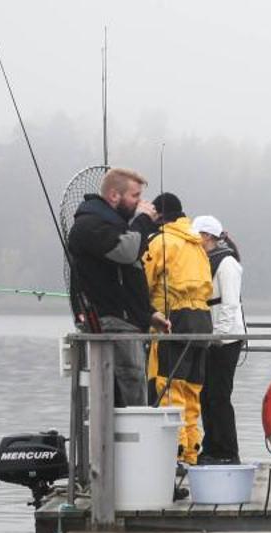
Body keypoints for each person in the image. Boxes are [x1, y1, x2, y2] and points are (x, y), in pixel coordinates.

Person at [66, 166, 164, 408]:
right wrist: (142, 221)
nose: (141, 202)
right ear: (113, 196)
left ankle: (124, 443)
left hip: (127, 322)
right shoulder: (90, 225)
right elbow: (126, 252)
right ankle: (120, 444)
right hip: (112, 324)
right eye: (135, 196)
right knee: (130, 394)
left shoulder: (117, 226)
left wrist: (148, 314)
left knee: (132, 391)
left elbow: (126, 280)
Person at [142, 192, 215, 466]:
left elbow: (143, 282)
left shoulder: (161, 241)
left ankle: (175, 453)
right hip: (202, 321)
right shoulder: (197, 244)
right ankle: (192, 452)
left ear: (159, 215)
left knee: (169, 387)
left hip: (175, 319)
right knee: (192, 390)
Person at [194, 216, 246, 465]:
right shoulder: (204, 261)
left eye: (197, 235)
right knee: (205, 395)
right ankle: (211, 446)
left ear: (207, 236)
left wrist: (220, 336)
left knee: (219, 395)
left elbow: (230, 303)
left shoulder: (227, 263)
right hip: (210, 337)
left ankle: (228, 450)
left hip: (226, 340)